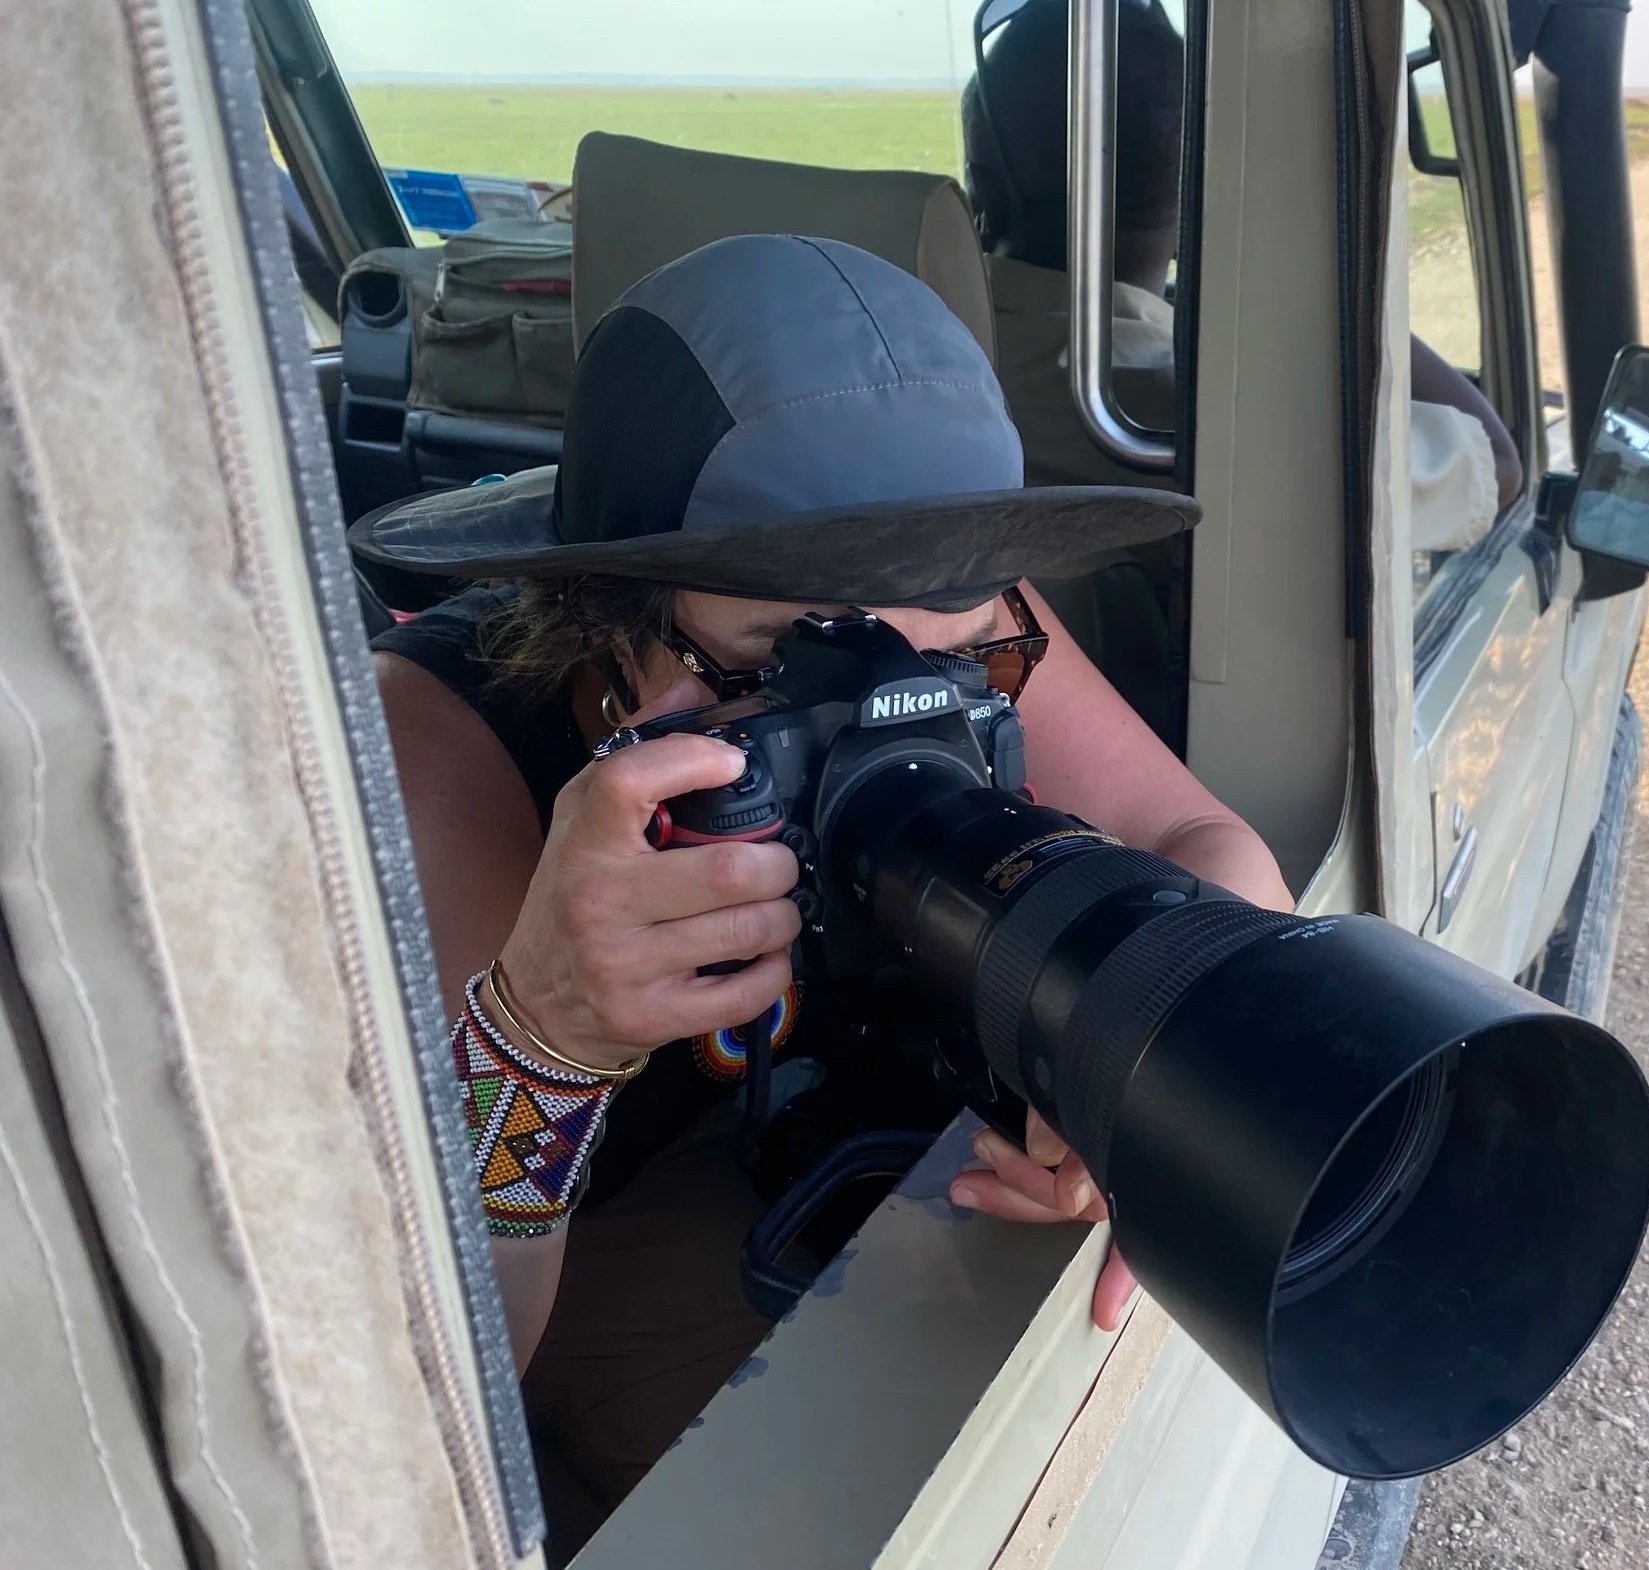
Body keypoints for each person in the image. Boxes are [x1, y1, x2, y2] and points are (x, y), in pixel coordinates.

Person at [354, 232, 1292, 1553]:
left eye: (953, 657)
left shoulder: (956, 603)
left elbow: (1200, 836)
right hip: (601, 1232)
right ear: (599, 613)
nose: (884, 705)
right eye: (784, 659)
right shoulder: (444, 752)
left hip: (869, 1137)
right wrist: (545, 1037)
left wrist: (1158, 1084)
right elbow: (430, 1372)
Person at [961, 0, 1522, 550]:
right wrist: (1319, 267)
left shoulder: (933, 366)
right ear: (1201, 195)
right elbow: (1495, 468)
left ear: (979, 189)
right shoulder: (1174, 409)